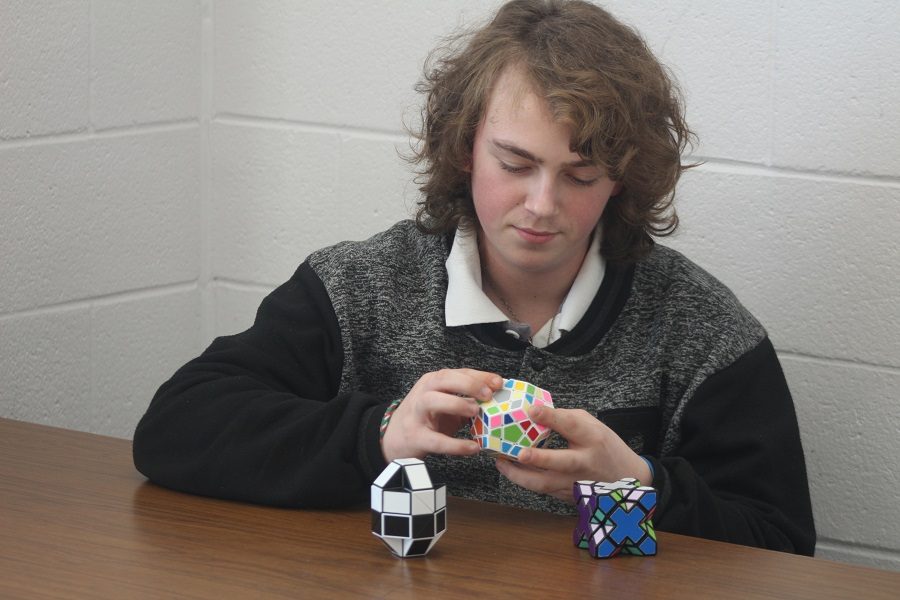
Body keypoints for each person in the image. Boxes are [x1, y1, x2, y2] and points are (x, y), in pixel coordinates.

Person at [133, 0, 816, 555]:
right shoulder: (358, 287)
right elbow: (175, 430)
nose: (542, 205)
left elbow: (781, 550)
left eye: (579, 175)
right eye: (515, 164)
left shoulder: (704, 332)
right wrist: (380, 433)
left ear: (621, 179)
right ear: (464, 150)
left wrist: (636, 481)